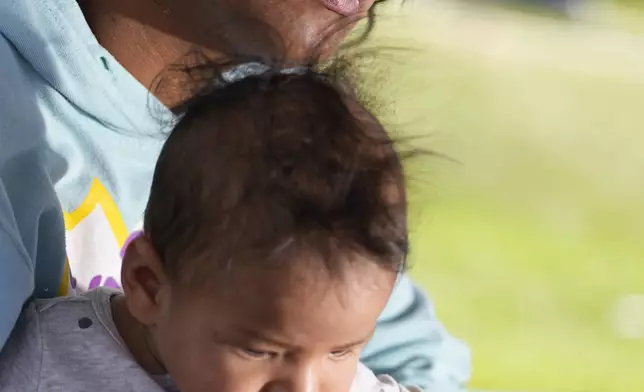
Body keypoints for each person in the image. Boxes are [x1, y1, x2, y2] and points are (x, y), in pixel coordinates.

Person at [0, 1, 470, 389]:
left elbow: (423, 360)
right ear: (146, 283)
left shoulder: (277, 141)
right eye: (258, 349)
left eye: (343, 350)